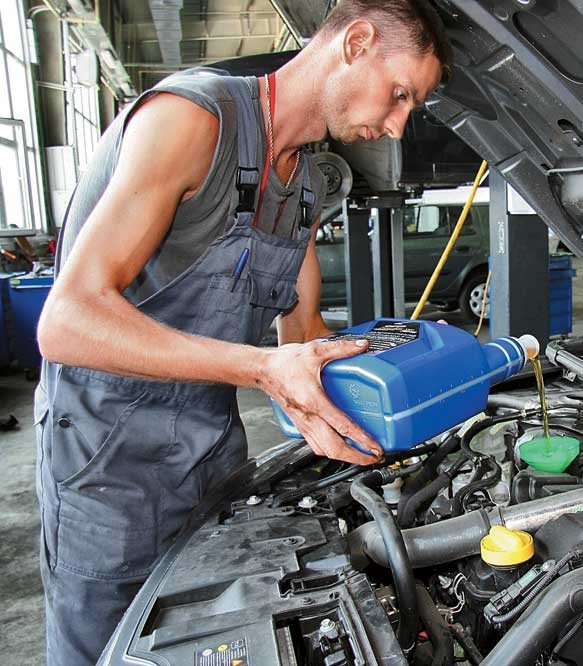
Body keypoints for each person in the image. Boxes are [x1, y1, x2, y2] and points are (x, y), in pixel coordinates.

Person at [33, 1, 452, 663]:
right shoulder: (192, 119)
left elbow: (303, 335)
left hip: (212, 458)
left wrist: (403, 391)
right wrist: (259, 369)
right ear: (357, 42)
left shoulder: (306, 186)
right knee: (105, 650)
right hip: (107, 468)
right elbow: (66, 322)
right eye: (400, 94)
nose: (398, 126)